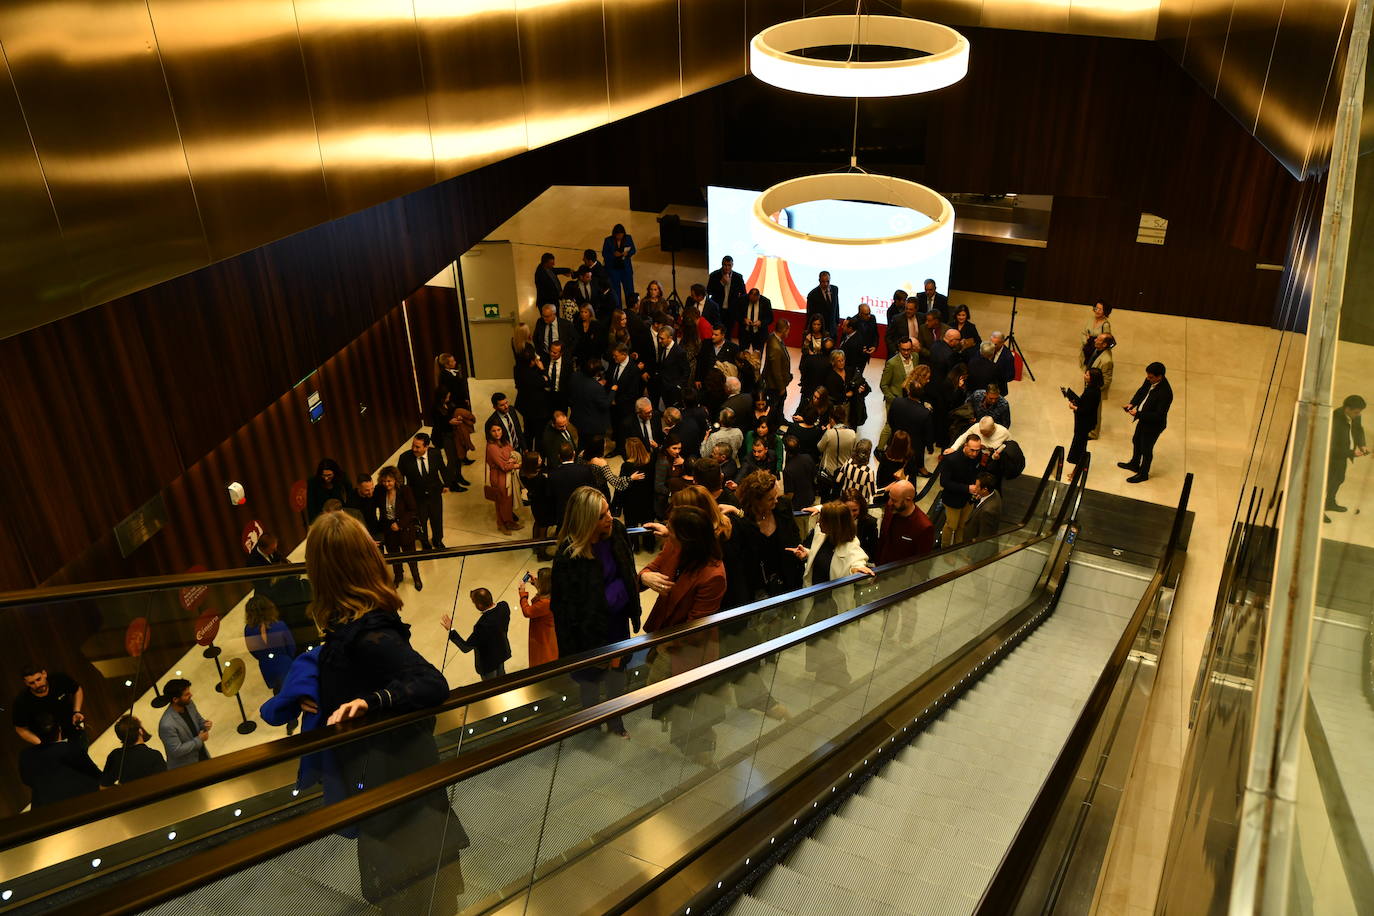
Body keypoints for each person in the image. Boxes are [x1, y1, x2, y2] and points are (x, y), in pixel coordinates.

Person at [306, 511, 462, 911]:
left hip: (398, 794)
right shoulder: (354, 629)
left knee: (418, 897)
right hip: (398, 783)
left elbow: (432, 683)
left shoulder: (370, 635)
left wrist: (372, 701)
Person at [639, 505, 728, 762]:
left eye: (673, 531)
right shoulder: (675, 548)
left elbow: (696, 627)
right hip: (667, 637)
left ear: (687, 538)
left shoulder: (713, 575)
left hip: (688, 650)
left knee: (689, 702)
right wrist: (646, 578)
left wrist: (667, 646)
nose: (668, 535)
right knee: (676, 700)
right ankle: (687, 741)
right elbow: (647, 570)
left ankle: (701, 748)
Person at [551, 487, 642, 737]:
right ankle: (591, 724)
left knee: (617, 674)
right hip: (589, 637)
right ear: (587, 521)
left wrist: (625, 588)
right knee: (590, 682)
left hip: (616, 624)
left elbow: (627, 575)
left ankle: (616, 721)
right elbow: (571, 611)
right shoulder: (569, 558)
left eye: (609, 511)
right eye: (602, 516)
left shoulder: (618, 533)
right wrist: (624, 588)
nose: (610, 518)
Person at [735, 470, 805, 598]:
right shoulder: (743, 520)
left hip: (787, 579)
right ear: (756, 501)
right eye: (770, 499)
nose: (776, 501)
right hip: (757, 586)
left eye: (776, 496)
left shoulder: (783, 507)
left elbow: (794, 535)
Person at [19, 715, 101, 807]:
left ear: (34, 734)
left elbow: (27, 780)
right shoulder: (71, 748)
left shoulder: (26, 755)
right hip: (82, 800)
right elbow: (95, 774)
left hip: (46, 806)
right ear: (59, 729)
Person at [1119, 362, 1174, 483]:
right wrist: (1132, 403)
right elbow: (1141, 392)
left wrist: (1138, 414)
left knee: (1146, 449)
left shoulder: (1165, 393)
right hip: (1144, 419)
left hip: (1153, 425)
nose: (1148, 379)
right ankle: (1134, 464)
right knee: (1136, 440)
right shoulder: (1150, 380)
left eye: (1151, 377)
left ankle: (1143, 473)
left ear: (1159, 376)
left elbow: (1159, 416)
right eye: (1147, 376)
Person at [443, 589, 512, 681]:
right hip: (501, 652)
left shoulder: (482, 625)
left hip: (488, 663)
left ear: (479, 605)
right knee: (503, 679)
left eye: (474, 603)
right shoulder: (504, 606)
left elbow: (465, 647)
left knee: (491, 687)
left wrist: (451, 629)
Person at [397, 433, 447, 549]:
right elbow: (399, 479)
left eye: (418, 447)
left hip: (434, 494)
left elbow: (442, 469)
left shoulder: (435, 454)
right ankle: (424, 541)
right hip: (416, 497)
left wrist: (446, 484)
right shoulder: (404, 458)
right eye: (413, 446)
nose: (414, 449)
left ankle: (437, 540)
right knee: (421, 521)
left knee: (437, 518)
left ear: (426, 447)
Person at [12, 666, 83, 746]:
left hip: (72, 727)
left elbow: (77, 690)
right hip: (48, 740)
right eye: (32, 683)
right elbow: (20, 728)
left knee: (82, 753)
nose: (37, 685)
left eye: (38, 679)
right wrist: (41, 744)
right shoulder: (22, 701)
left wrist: (77, 711)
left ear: (44, 674)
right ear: (26, 683)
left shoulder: (59, 680)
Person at [376, 465, 422, 589]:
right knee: (394, 555)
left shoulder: (405, 490)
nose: (386, 484)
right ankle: (398, 576)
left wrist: (400, 524)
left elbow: (413, 510)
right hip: (389, 531)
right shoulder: (379, 490)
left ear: (395, 480)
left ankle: (416, 577)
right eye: (384, 481)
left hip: (405, 529)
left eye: (389, 481)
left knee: (410, 556)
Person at [245, 595, 297, 698]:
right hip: (284, 663)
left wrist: (264, 658)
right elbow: (292, 647)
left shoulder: (248, 630)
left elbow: (252, 650)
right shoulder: (280, 625)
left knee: (278, 694)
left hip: (266, 666)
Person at [1327, 394, 1369, 518]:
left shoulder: (1355, 415)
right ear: (1347, 409)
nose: (1358, 415)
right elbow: (1331, 447)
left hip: (1342, 456)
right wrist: (1351, 453)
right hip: (1332, 457)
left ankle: (1329, 502)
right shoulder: (1334, 420)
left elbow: (1358, 429)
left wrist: (1362, 445)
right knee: (1327, 482)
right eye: (1356, 412)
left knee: (1339, 478)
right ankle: (1318, 511)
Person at [875, 479, 935, 564]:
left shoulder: (924, 527)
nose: (889, 503)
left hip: (901, 573)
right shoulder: (891, 508)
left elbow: (921, 562)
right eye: (890, 498)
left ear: (908, 500)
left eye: (894, 500)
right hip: (882, 566)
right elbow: (883, 538)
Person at [939, 434, 984, 545]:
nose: (975, 453)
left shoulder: (978, 455)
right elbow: (944, 482)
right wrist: (967, 488)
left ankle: (958, 546)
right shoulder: (951, 459)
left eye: (977, 450)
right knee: (951, 526)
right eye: (972, 450)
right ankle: (945, 550)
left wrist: (978, 488)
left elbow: (978, 472)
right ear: (965, 445)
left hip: (968, 499)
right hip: (953, 500)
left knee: (963, 524)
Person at [158, 678, 211, 769]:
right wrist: (199, 739)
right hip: (186, 767)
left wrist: (204, 724)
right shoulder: (167, 724)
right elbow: (176, 750)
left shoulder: (189, 704)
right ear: (175, 699)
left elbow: (198, 719)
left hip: (202, 755)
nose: (191, 695)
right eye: (186, 694)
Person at [100, 715, 167, 786]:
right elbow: (165, 783)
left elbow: (103, 786)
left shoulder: (114, 755)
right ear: (140, 731)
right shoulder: (154, 755)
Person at [485, 420, 524, 533]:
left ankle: (508, 521)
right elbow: (503, 466)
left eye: (499, 430)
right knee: (502, 501)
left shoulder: (505, 441)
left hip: (507, 475)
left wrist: (511, 460)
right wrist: (516, 464)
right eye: (493, 431)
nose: (497, 433)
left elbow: (512, 453)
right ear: (489, 432)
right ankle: (503, 524)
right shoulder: (492, 447)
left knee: (507, 500)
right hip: (498, 477)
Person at [549, 441, 602, 523]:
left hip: (563, 511)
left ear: (559, 456)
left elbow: (551, 495)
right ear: (574, 454)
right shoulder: (585, 470)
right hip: (581, 509)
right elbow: (593, 490)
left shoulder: (553, 474)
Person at [518, 568, 559, 667]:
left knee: (542, 654)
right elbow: (544, 592)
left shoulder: (545, 603)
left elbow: (527, 612)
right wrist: (536, 584)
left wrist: (522, 594)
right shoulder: (554, 592)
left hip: (542, 632)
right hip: (549, 628)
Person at [1066, 367, 1105, 465]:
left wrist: (1073, 407)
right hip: (1085, 422)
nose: (1084, 376)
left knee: (1080, 445)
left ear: (1093, 378)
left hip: (1085, 422)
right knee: (1081, 444)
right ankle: (1079, 465)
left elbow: (1086, 410)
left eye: (1087, 375)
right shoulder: (1093, 389)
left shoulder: (1092, 392)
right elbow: (1086, 404)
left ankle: (1079, 465)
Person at [1082, 333, 1115, 438]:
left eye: (1098, 339)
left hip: (1096, 390)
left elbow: (1107, 380)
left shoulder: (1107, 360)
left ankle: (1094, 433)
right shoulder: (1098, 350)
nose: (1095, 340)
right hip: (1090, 385)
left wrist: (1094, 390)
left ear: (1104, 344)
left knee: (1095, 411)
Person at [799, 314, 834, 402]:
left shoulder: (826, 335)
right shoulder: (806, 334)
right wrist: (806, 342)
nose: (816, 326)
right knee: (808, 389)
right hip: (809, 364)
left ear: (822, 325)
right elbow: (803, 351)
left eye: (818, 324)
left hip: (820, 365)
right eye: (814, 324)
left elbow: (828, 351)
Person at [707, 256, 747, 330]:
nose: (727, 267)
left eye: (729, 265)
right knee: (717, 330)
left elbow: (743, 294)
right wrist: (721, 283)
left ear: (732, 265)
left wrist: (738, 306)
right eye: (725, 265)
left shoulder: (738, 277)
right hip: (717, 309)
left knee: (728, 332)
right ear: (722, 265)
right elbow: (709, 291)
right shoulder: (714, 275)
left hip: (731, 310)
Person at [602, 223, 637, 307]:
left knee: (629, 290)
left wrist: (627, 254)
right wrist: (613, 255)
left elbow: (633, 250)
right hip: (614, 270)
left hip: (626, 269)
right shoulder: (608, 240)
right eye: (618, 235)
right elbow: (604, 254)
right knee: (616, 291)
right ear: (614, 234)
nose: (619, 237)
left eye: (621, 235)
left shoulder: (628, 238)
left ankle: (631, 307)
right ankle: (618, 309)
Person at [307, 458, 352, 523]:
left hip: (341, 515)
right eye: (323, 475)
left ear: (335, 473)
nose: (326, 478)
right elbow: (311, 506)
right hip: (323, 517)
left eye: (329, 475)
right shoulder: (313, 482)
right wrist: (313, 523)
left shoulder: (342, 477)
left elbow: (350, 495)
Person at [962, 472, 1003, 543]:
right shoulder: (994, 492)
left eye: (977, 486)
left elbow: (984, 537)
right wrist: (981, 495)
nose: (974, 487)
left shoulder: (988, 511)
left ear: (985, 489)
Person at [818, 404, 857, 477]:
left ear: (831, 419)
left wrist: (827, 431)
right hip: (844, 471)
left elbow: (820, 448)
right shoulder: (852, 433)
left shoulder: (829, 433)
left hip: (828, 471)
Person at [835, 438, 877, 505]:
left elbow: (838, 479)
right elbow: (873, 493)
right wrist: (887, 488)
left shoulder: (848, 462)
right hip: (860, 503)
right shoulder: (868, 472)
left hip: (846, 498)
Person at [880, 337, 919, 407]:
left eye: (908, 349)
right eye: (903, 350)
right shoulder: (892, 363)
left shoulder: (915, 357)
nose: (906, 352)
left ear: (912, 348)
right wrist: (894, 400)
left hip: (911, 400)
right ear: (899, 348)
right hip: (897, 401)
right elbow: (883, 385)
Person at [782, 435, 817, 509]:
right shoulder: (808, 457)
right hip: (810, 497)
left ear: (786, 450)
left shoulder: (788, 470)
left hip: (797, 504)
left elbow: (790, 495)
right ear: (799, 446)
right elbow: (814, 476)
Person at [738, 286, 773, 350]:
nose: (753, 302)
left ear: (759, 297)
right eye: (751, 300)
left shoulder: (766, 302)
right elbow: (736, 314)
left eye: (755, 300)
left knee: (757, 357)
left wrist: (761, 322)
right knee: (742, 356)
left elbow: (770, 318)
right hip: (745, 333)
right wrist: (744, 320)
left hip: (759, 334)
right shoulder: (742, 300)